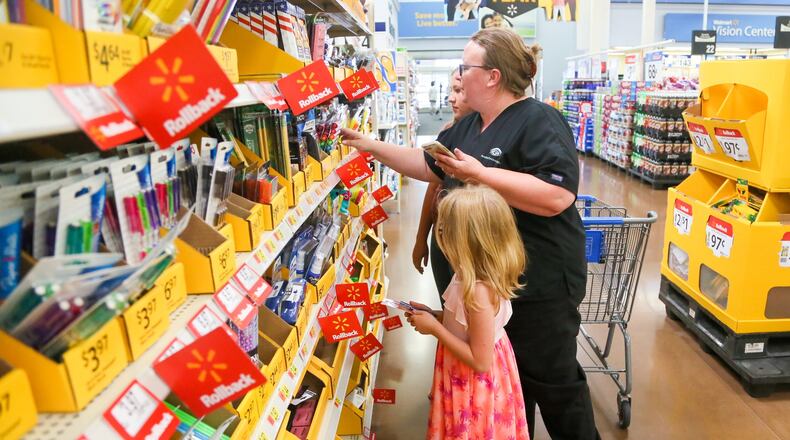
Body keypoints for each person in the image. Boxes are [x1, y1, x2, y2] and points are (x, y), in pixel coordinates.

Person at [341, 28, 599, 440]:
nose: (459, 75)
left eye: (466, 66)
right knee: (507, 380)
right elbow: (428, 166)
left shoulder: (539, 120)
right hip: (480, 281)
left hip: (536, 283)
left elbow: (557, 196)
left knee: (553, 382)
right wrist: (370, 145)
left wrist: (481, 174)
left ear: (492, 76)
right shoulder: (467, 128)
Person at [406, 185, 530, 440]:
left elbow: (480, 360)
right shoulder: (469, 275)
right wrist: (436, 315)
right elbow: (465, 324)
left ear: (468, 241)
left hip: (473, 384)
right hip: (466, 370)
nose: (442, 239)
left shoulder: (478, 293)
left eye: (446, 232)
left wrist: (435, 329)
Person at [413, 69, 473, 301]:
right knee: (448, 302)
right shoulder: (448, 131)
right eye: (451, 90)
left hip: (472, 241)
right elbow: (433, 187)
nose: (451, 98)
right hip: (443, 237)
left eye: (459, 91)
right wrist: (421, 239)